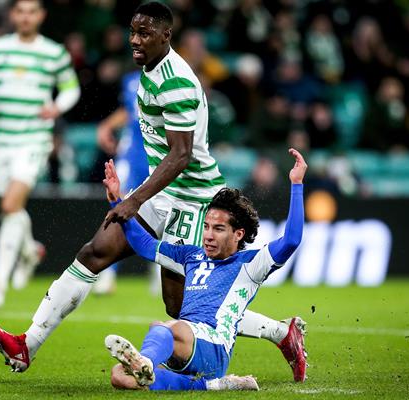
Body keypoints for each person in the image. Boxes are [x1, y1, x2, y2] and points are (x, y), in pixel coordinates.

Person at [0, 2, 306, 382]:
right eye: (132, 32)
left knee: (180, 307)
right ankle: (27, 345)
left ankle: (282, 333)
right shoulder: (149, 70)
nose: (135, 40)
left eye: (145, 33)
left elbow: (181, 154)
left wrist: (133, 199)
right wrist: (134, 196)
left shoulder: (177, 81)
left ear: (166, 35)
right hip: (161, 192)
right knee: (95, 252)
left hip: (194, 199)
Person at [103, 147, 306, 391]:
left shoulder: (251, 264)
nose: (208, 235)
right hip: (186, 345)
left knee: (162, 327)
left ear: (237, 234)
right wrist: (118, 201)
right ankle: (212, 385)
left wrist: (297, 185)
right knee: (119, 376)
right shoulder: (191, 256)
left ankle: (145, 361)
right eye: (207, 226)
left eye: (218, 229)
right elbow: (145, 245)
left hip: (214, 346)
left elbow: (292, 240)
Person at [0, 0, 80, 309]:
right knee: (12, 211)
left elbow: (71, 88)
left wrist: (56, 107)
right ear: (13, 15)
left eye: (32, 11)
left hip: (33, 141)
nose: (26, 17)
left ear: (41, 16)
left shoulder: (53, 52)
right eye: (21, 11)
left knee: (9, 205)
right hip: (1, 142)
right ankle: (30, 250)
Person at [93, 69, 158, 295]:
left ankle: (160, 271)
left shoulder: (175, 77)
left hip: (160, 158)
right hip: (132, 156)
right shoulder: (130, 80)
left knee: (162, 212)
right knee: (118, 208)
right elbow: (131, 112)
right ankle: (108, 273)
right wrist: (107, 125)